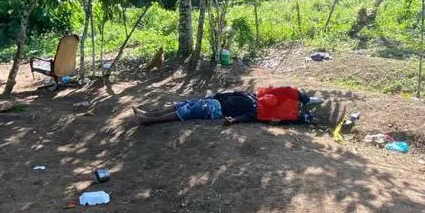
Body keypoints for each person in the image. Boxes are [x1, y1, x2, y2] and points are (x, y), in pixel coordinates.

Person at [132, 87, 314, 126]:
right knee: (182, 103)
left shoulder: (257, 111)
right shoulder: (253, 96)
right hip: (212, 100)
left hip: (215, 110)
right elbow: (290, 91)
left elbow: (246, 118)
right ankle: (147, 113)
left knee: (185, 111)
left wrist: (233, 120)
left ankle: (147, 121)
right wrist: (305, 99)